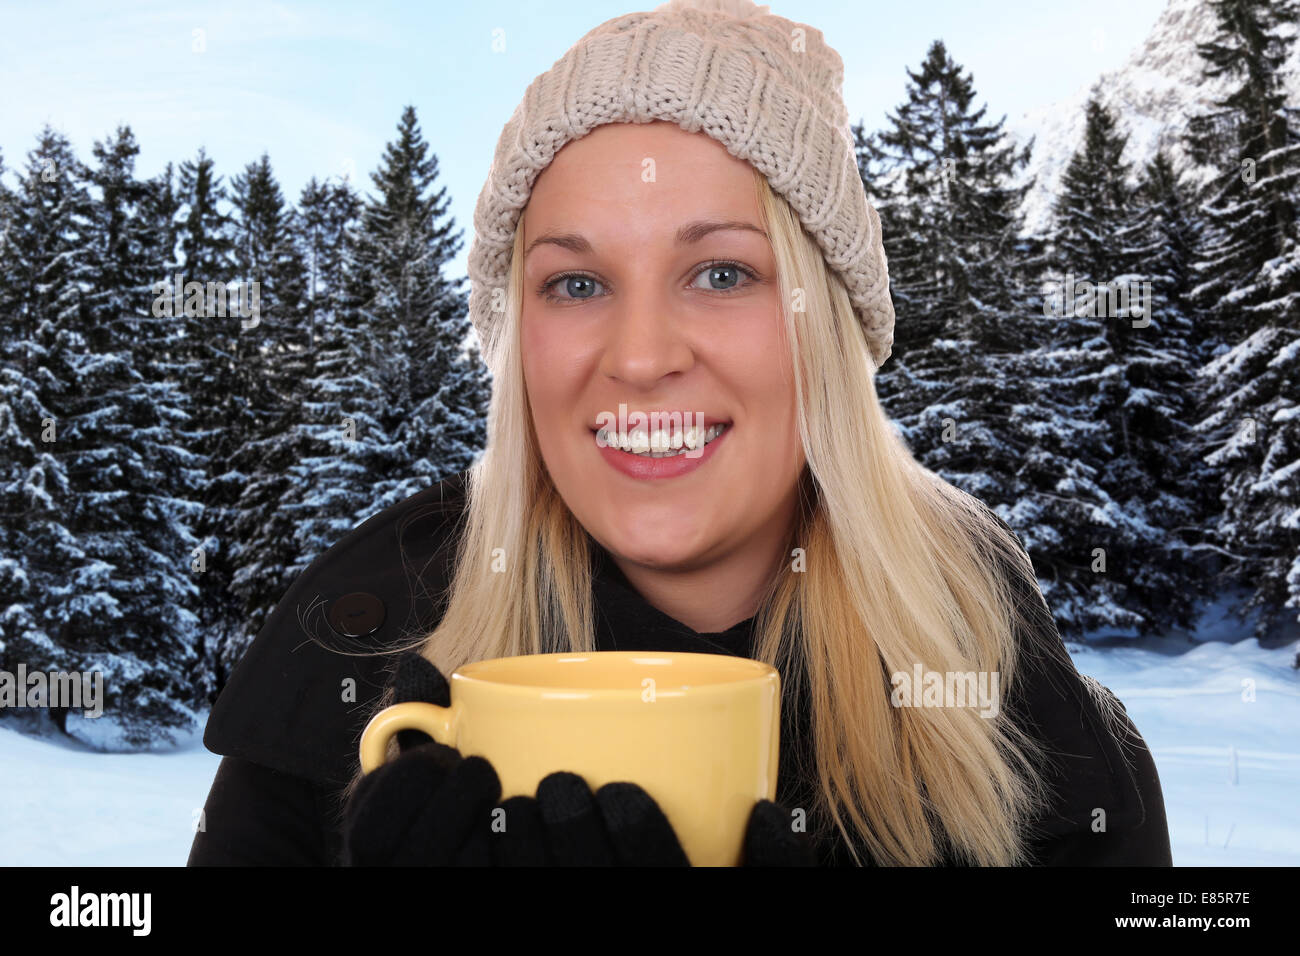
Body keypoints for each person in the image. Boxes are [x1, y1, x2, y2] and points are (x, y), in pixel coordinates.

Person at [189, 0, 1172, 866]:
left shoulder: (1034, 739)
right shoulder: (350, 670)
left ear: (823, 330)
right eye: (576, 283)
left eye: (720, 273)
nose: (641, 354)